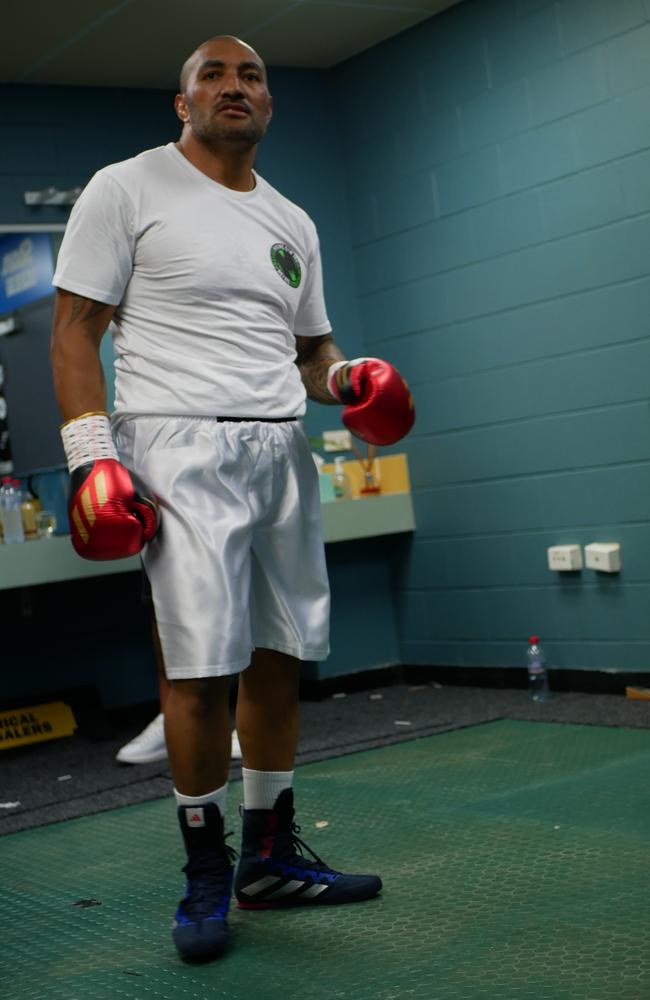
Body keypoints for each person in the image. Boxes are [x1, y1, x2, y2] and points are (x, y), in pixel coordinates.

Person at [50, 34, 414, 963]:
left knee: (279, 655)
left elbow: (312, 351)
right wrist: (93, 457)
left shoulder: (293, 221)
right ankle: (205, 872)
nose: (233, 86)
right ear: (183, 104)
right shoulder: (126, 186)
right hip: (175, 444)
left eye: (250, 74)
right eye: (211, 74)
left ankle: (267, 860)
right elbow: (75, 331)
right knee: (197, 669)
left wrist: (351, 380)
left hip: (278, 447)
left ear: (268, 102)